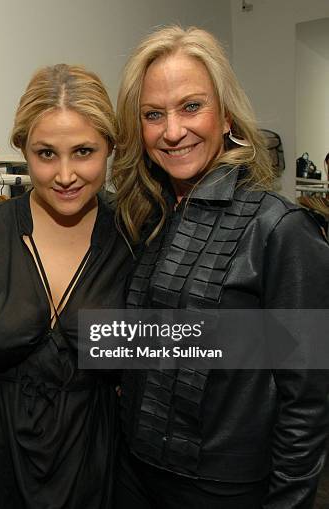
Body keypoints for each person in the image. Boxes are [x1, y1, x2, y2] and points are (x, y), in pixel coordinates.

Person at [112, 25, 329, 508]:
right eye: (153, 114)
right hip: (134, 473)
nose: (172, 131)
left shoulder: (280, 228)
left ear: (226, 114)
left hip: (223, 489)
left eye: (191, 106)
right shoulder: (147, 215)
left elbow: (309, 398)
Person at [0, 64, 133, 508]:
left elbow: (179, 344)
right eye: (46, 154)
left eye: (84, 152)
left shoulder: (136, 237)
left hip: (98, 468)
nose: (66, 174)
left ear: (110, 147)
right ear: (22, 148)